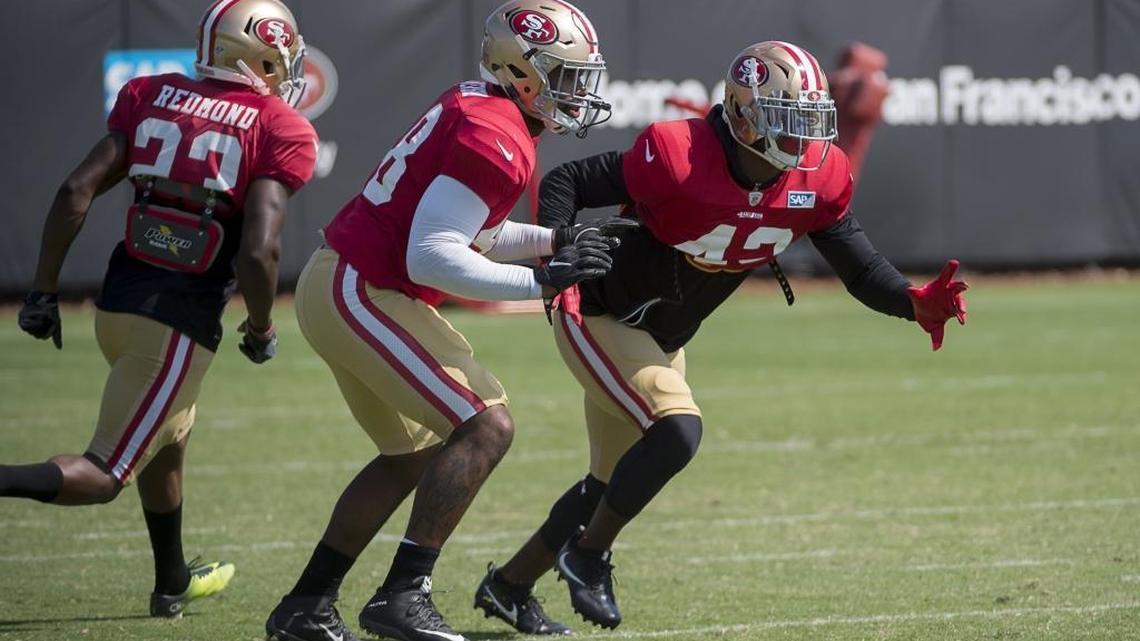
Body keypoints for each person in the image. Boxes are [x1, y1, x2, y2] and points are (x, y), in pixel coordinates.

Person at [473, 40, 969, 633]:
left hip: (662, 334)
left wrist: (912, 305)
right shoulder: (678, 155)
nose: (803, 137)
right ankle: (586, 556)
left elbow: (859, 267)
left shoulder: (820, 177)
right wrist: (559, 246)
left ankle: (508, 586)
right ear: (740, 114)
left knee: (610, 482)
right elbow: (570, 180)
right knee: (677, 430)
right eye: (787, 119)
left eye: (809, 120)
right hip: (599, 311)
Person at [263, 3, 630, 641]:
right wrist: (544, 278)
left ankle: (306, 606)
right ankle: (403, 594)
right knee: (487, 424)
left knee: (413, 452)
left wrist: (557, 238)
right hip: (363, 286)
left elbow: (474, 232)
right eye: (564, 75)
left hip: (348, 281)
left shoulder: (482, 105)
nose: (578, 91)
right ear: (520, 72)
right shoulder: (495, 131)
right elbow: (432, 256)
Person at [3, 0, 316, 619]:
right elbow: (260, 250)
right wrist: (260, 325)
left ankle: (171, 579)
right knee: (105, 473)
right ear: (258, 53)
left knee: (169, 437)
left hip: (118, 308)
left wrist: (42, 291)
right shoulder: (277, 124)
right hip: (174, 321)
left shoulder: (150, 93)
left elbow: (75, 190)